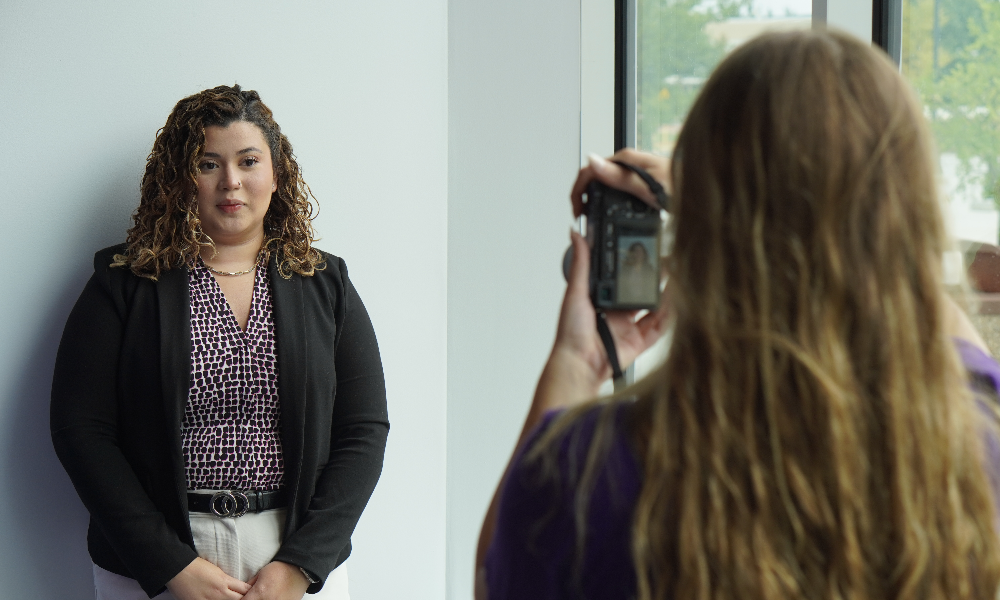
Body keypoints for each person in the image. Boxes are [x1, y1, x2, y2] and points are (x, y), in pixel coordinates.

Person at [476, 30, 1000, 600]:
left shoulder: (586, 474)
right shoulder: (971, 447)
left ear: (701, 233)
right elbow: (919, 299)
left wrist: (576, 364)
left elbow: (494, 580)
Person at [50, 85, 389, 600]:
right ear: (181, 178)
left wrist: (301, 563)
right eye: (208, 163)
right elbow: (81, 430)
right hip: (156, 564)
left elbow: (363, 430)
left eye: (248, 160)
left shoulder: (326, 283)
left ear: (276, 172)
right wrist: (170, 565)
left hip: (293, 555)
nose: (231, 181)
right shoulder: (123, 283)